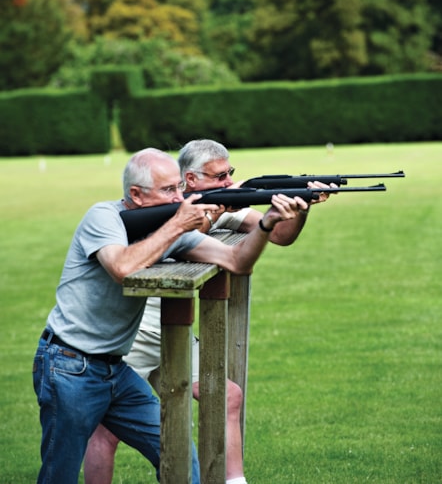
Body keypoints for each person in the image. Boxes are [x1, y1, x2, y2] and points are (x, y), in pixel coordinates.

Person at [33, 146, 305, 484]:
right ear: (136, 194)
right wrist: (176, 225)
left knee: (177, 453)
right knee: (59, 474)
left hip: (113, 370)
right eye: (169, 191)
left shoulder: (170, 228)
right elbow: (121, 267)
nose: (181, 197)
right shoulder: (102, 217)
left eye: (179, 187)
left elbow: (236, 261)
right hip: (70, 364)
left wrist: (266, 224)